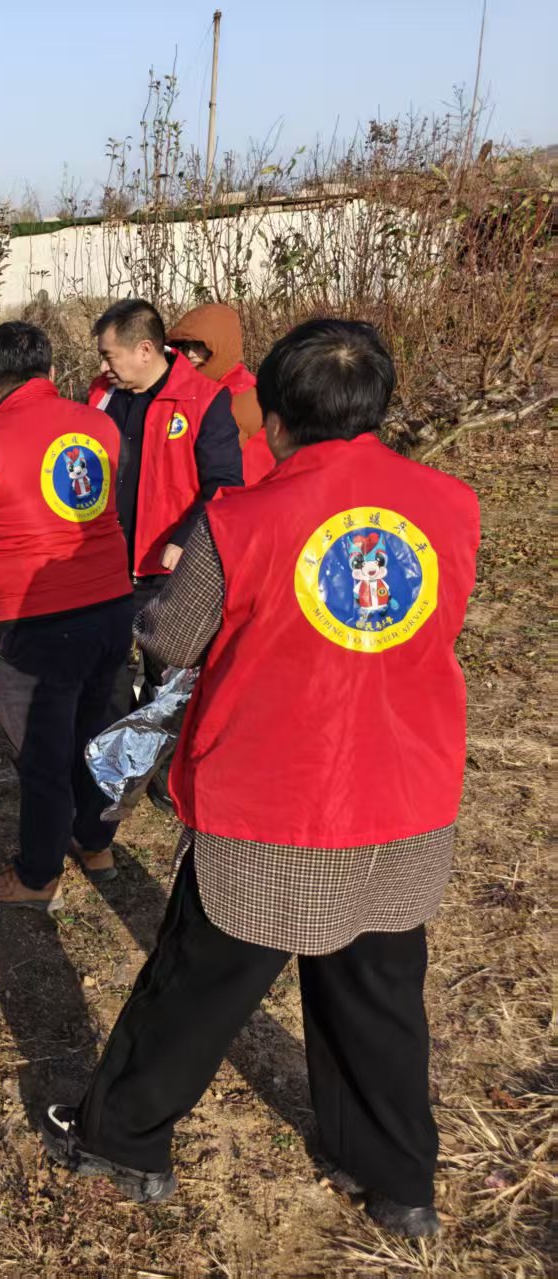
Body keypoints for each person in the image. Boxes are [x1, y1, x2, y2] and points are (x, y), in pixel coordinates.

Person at [40, 320, 481, 1239]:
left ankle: (121, 1138)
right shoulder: (450, 504)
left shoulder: (241, 520)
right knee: (380, 990)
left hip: (275, 799)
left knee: (196, 985)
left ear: (274, 419)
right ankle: (397, 1179)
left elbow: (172, 638)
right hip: (403, 791)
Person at [0, 321, 134, 909]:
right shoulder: (101, 426)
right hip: (112, 608)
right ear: (52, 373)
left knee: (44, 755)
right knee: (100, 734)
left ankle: (38, 878)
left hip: (36, 624)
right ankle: (96, 844)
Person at [89, 300, 242, 715]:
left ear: (144, 350)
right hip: (105, 564)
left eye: (109, 356)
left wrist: (185, 538)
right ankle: (106, 749)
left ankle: (163, 756)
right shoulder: (100, 396)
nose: (103, 366)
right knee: (104, 679)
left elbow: (225, 484)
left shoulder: (204, 400)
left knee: (168, 686)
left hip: (169, 571)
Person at [169, 301, 276, 484]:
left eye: (200, 346)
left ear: (222, 346)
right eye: (186, 346)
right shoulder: (185, 386)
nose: (191, 354)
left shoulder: (243, 396)